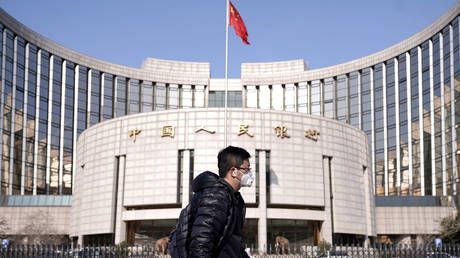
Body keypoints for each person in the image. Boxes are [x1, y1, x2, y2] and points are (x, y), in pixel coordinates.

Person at [188, 146, 253, 258]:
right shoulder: (217, 197)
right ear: (234, 171)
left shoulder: (233, 197)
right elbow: (201, 243)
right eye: (246, 169)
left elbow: (232, 243)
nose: (250, 173)